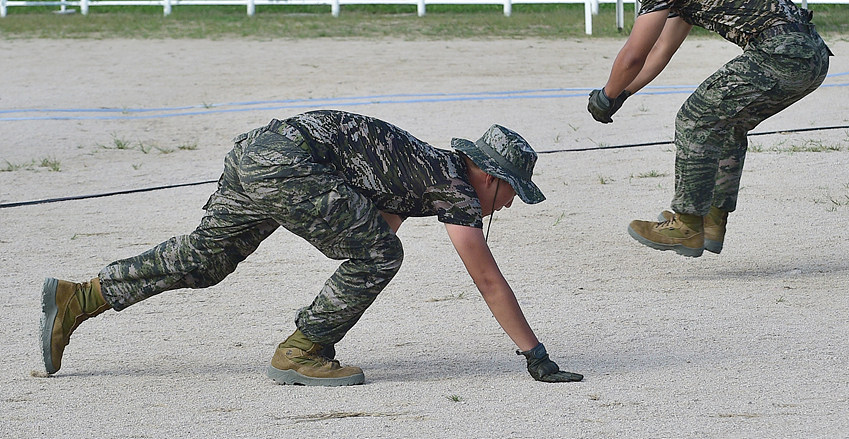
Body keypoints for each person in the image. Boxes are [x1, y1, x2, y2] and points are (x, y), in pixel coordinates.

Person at [40, 110, 582, 385]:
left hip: (260, 149)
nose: (509, 204)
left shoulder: (426, 168)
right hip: (292, 163)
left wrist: (357, 261)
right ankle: (303, 352)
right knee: (380, 258)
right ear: (489, 175)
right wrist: (536, 356)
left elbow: (374, 222)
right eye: (512, 192)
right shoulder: (456, 189)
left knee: (209, 259)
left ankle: (80, 296)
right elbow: (486, 281)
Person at [587, 0, 831, 258]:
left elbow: (634, 54)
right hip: (809, 54)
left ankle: (686, 225)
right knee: (726, 125)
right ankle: (712, 221)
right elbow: (661, 49)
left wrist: (605, 97)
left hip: (782, 52)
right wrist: (622, 94)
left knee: (695, 118)